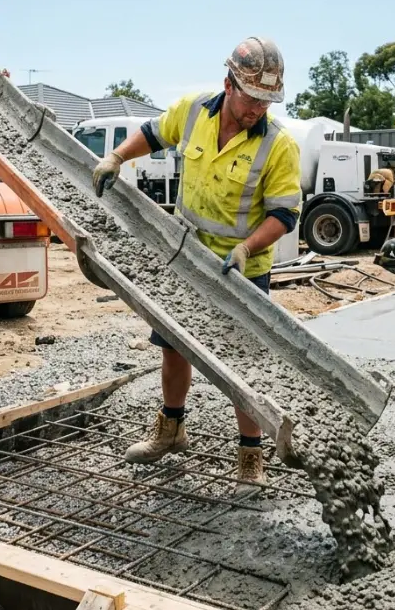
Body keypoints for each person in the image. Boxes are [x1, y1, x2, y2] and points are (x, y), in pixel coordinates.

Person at [92, 36, 302, 490]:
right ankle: (171, 431)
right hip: (186, 256)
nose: (258, 109)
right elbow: (152, 133)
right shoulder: (192, 111)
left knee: (240, 363)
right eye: (252, 98)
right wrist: (116, 157)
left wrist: (246, 248)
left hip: (241, 268)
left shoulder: (277, 145)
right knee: (173, 346)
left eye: (267, 101)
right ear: (229, 84)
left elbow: (284, 214)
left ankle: (250, 454)